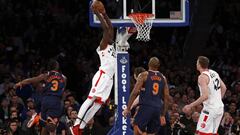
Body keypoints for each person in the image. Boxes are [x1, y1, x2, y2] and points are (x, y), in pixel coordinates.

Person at [70, 1, 115, 135]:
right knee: (91, 99)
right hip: (102, 75)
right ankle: (76, 125)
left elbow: (110, 28)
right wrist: (98, 14)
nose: (110, 36)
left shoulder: (111, 45)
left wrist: (105, 14)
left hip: (109, 79)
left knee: (98, 105)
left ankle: (81, 127)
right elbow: (106, 30)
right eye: (108, 37)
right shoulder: (103, 45)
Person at [14, 59, 67, 135]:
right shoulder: (64, 78)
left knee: (45, 124)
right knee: (52, 127)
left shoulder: (45, 75)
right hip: (55, 101)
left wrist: (19, 83)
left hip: (45, 100)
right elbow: (62, 91)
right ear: (57, 67)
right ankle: (38, 118)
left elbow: (31, 80)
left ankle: (39, 118)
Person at [123, 57, 169, 135]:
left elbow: (134, 92)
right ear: (158, 66)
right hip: (157, 109)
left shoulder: (144, 75)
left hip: (146, 106)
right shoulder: (163, 78)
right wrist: (163, 115)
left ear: (148, 64)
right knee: (151, 133)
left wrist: (128, 108)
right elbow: (166, 97)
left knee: (136, 128)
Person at [183, 56, 227, 135]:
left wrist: (190, 105)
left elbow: (205, 96)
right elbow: (224, 88)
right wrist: (217, 100)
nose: (196, 64)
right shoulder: (214, 73)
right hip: (220, 108)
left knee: (200, 133)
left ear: (199, 64)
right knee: (213, 133)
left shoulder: (202, 77)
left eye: (197, 62)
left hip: (210, 109)